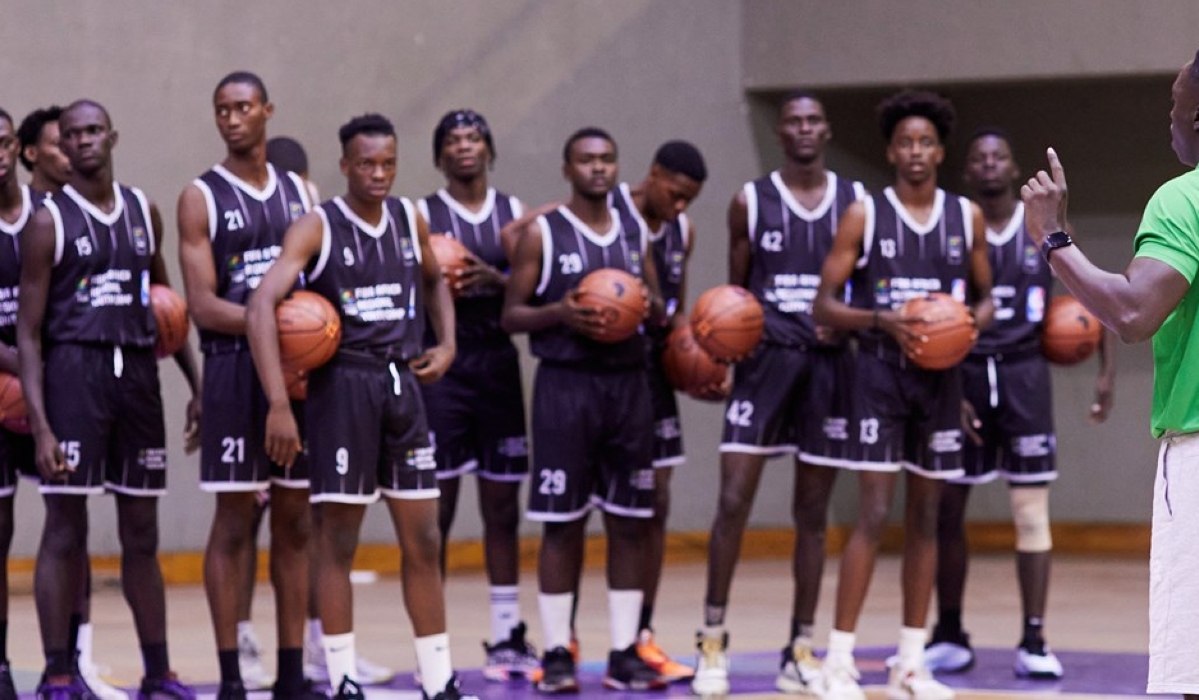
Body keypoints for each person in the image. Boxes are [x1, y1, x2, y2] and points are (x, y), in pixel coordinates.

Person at [245, 113, 468, 700]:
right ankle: (341, 678)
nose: (378, 174)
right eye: (366, 164)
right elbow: (259, 306)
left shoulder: (408, 218)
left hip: (403, 386)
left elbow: (435, 279)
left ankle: (439, 681)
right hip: (342, 388)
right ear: (345, 166)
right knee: (337, 540)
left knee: (424, 539)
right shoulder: (316, 227)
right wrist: (277, 403)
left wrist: (447, 342)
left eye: (388, 163)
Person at [1019, 51, 1199, 700]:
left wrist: (1052, 239)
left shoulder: (1183, 199)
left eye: (1173, 107)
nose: (1169, 121)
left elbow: (1131, 312)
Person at [811, 89, 993, 700]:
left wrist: (962, 325)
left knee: (928, 518)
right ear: (891, 151)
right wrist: (883, 321)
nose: (915, 151)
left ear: (940, 152)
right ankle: (838, 662)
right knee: (872, 514)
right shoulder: (865, 213)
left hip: (940, 381)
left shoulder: (964, 216)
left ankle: (910, 663)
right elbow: (824, 305)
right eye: (904, 142)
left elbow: (987, 297)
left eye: (926, 142)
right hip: (880, 377)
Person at [16, 99, 201, 700]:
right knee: (65, 527)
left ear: (112, 136)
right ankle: (58, 671)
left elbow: (168, 306)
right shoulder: (49, 222)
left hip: (138, 379)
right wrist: (41, 426)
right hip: (75, 373)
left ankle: (158, 671)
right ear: (61, 147)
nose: (84, 141)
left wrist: (197, 387)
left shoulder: (144, 211)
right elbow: (27, 330)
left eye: (94, 130)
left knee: (141, 532)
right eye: (73, 135)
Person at [925, 128, 1115, 681]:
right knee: (947, 509)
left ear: (1012, 169)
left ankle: (1033, 638)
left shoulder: (1047, 228)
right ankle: (950, 633)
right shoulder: (954, 228)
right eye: (978, 158)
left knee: (1031, 511)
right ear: (968, 172)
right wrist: (949, 388)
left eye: (998, 156)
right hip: (963, 370)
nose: (988, 165)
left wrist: (1105, 374)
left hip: (1024, 374)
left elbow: (1091, 295)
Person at [692, 92, 863, 697]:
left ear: (826, 129)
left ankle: (799, 649)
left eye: (814, 119)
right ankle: (711, 640)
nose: (804, 128)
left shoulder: (854, 202)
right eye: (792, 120)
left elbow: (862, 286)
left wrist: (844, 319)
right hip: (764, 366)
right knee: (733, 500)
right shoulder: (751, 200)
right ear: (782, 132)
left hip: (827, 371)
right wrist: (724, 356)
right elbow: (735, 290)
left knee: (812, 515)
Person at [501, 127, 666, 694]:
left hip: (627, 387)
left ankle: (623, 652)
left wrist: (643, 305)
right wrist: (563, 315)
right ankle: (556, 652)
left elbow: (658, 303)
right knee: (561, 524)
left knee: (629, 523)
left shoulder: (634, 230)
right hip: (565, 388)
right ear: (567, 170)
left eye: (607, 160)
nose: (598, 168)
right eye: (587, 160)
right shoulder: (542, 234)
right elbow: (512, 315)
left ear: (618, 167)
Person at [176, 71, 325, 700]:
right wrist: (277, 328)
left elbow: (319, 286)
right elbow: (204, 306)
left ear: (267, 110)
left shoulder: (303, 192)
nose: (232, 119)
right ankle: (233, 676)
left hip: (300, 375)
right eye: (221, 110)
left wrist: (302, 334)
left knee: (295, 522)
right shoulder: (199, 197)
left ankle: (293, 674)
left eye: (243, 107)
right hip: (236, 371)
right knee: (234, 520)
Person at [260, 133, 395, 688]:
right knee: (248, 521)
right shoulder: (299, 223)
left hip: (316, 382)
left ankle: (319, 644)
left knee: (309, 522)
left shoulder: (321, 219)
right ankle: (251, 643)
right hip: (253, 373)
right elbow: (261, 305)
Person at [415, 109, 538, 681]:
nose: (464, 148)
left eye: (474, 138)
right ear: (439, 156)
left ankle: (508, 633)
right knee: (436, 510)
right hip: (443, 367)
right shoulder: (422, 215)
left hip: (497, 366)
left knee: (502, 508)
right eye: (453, 141)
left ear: (489, 149)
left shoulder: (514, 215)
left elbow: (532, 289)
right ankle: (431, 643)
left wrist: (491, 278)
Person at [15, 106, 125, 700]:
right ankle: (37, 667)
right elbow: (33, 329)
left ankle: (75, 664)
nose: (71, 149)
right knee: (46, 527)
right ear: (36, 152)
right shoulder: (44, 222)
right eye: (59, 142)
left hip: (66, 386)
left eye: (81, 137)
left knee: (79, 523)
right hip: (43, 385)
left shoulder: (114, 212)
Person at [609, 139, 706, 684]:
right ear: (653, 174)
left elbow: (676, 320)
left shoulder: (682, 232)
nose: (681, 207)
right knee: (590, 512)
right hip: (600, 377)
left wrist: (698, 364)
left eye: (690, 199)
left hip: (651, 379)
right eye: (676, 193)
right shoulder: (606, 211)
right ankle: (563, 641)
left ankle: (642, 635)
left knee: (657, 503)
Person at [16, 106, 72, 194]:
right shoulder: (19, 204)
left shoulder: (90, 202)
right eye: (60, 145)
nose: (71, 153)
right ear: (31, 153)